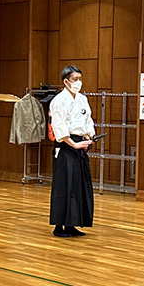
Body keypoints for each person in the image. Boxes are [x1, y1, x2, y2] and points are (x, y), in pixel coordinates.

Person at [49, 65, 94, 238]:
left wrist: (90, 135)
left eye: (80, 79)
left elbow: (87, 119)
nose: (78, 82)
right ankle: (59, 226)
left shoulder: (82, 99)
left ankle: (71, 224)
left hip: (80, 143)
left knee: (77, 186)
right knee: (65, 185)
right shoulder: (59, 101)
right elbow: (59, 126)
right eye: (75, 79)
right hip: (66, 146)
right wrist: (73, 144)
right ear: (66, 81)